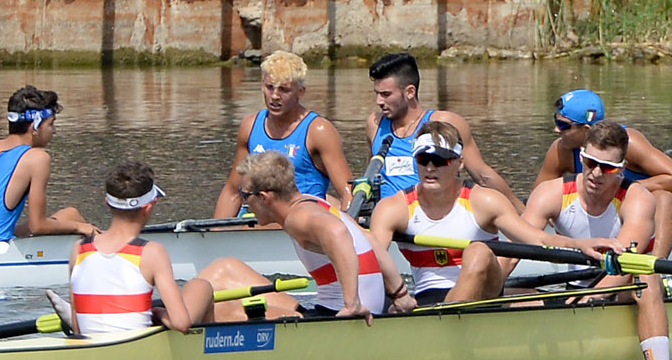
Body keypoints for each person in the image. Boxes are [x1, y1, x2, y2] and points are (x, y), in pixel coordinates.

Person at [522, 120, 671, 360]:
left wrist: (586, 301)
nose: (596, 174)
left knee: (646, 278)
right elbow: (517, 247)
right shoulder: (551, 193)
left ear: (622, 168)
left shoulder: (637, 199)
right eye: (590, 163)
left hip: (620, 289)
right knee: (512, 294)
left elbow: (621, 264)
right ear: (582, 157)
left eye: (608, 168)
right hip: (574, 289)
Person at [192, 152, 396, 322]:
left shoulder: (297, 218)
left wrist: (352, 305)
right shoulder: (316, 202)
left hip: (340, 317)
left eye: (246, 196)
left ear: (264, 198)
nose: (245, 204)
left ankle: (173, 328)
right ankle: (175, 311)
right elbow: (369, 239)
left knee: (222, 309)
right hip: (345, 309)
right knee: (225, 269)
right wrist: (400, 293)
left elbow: (337, 232)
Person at [365, 122, 532, 306]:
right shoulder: (393, 207)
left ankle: (446, 322)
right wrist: (397, 296)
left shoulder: (485, 200)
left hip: (486, 291)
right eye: (423, 159)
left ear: (460, 163)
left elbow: (536, 241)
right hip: (428, 296)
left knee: (478, 251)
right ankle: (448, 320)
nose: (429, 168)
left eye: (439, 160)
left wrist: (569, 243)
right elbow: (371, 262)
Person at [531, 87, 672, 257]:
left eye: (563, 125)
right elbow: (537, 194)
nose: (556, 130)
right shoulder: (561, 149)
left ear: (587, 130)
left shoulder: (628, 143)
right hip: (623, 207)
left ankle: (657, 267)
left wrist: (620, 189)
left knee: (663, 199)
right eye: (556, 120)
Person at [214, 51, 353, 218]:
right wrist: (216, 235)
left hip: (302, 222)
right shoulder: (249, 126)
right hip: (257, 221)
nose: (274, 96)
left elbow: (348, 194)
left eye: (284, 90)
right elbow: (232, 191)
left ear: (301, 92)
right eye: (269, 87)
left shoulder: (318, 131)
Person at [64, 161, 196, 336]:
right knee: (200, 286)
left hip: (90, 347)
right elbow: (181, 323)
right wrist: (158, 313)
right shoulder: (152, 252)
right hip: (136, 349)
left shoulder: (79, 249)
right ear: (148, 208)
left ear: (107, 203)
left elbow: (76, 321)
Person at [0, 85, 96, 243]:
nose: (54, 131)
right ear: (35, 127)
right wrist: (78, 227)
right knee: (76, 221)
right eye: (51, 124)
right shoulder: (36, 158)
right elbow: (38, 226)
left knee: (69, 214)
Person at [360, 52, 510, 205]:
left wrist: (522, 213)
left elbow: (482, 175)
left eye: (386, 94)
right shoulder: (375, 124)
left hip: (432, 217)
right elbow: (370, 175)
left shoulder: (445, 122)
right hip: (386, 217)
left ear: (410, 92)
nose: (378, 101)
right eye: (377, 94)